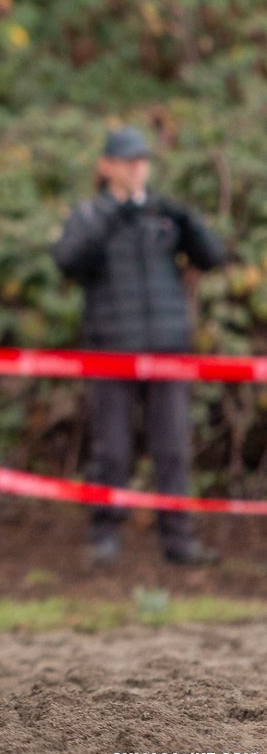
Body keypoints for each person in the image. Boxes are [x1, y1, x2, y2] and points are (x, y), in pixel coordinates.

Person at [52, 126, 225, 567]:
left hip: (167, 349)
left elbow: (212, 257)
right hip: (112, 349)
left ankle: (179, 541)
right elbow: (68, 261)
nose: (136, 168)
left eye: (141, 160)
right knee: (111, 449)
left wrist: (186, 220)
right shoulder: (91, 215)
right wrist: (114, 212)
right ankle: (105, 538)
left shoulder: (163, 217)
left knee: (173, 450)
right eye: (127, 161)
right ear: (106, 166)